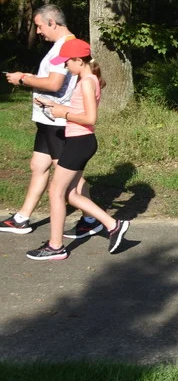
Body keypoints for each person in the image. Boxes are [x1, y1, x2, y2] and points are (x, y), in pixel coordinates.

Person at [1, 4, 101, 239]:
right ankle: (22, 218)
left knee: (69, 175)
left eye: (39, 26)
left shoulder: (65, 48)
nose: (38, 31)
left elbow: (55, 84)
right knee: (38, 165)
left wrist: (23, 79)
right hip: (46, 119)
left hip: (56, 121)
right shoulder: (59, 46)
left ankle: (91, 219)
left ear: (52, 23)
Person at [25, 39, 130, 260]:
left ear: (78, 61)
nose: (65, 67)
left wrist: (64, 114)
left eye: (66, 63)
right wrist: (54, 107)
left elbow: (90, 118)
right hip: (79, 141)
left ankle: (56, 247)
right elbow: (81, 110)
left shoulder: (86, 83)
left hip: (80, 141)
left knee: (56, 191)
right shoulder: (88, 79)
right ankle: (113, 225)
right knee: (70, 193)